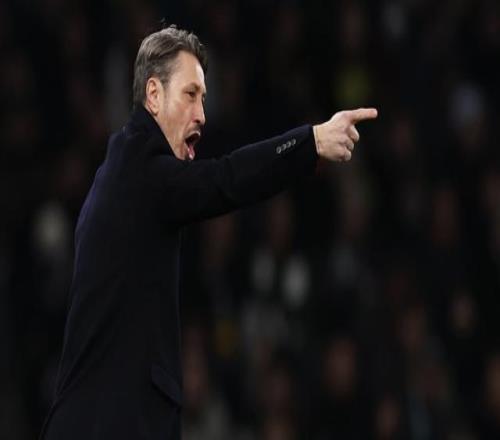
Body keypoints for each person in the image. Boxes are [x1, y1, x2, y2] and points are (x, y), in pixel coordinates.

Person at [39, 24, 377, 440]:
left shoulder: (123, 172)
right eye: (190, 94)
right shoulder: (139, 170)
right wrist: (311, 141)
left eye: (204, 97)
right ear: (153, 95)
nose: (202, 113)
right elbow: (225, 179)